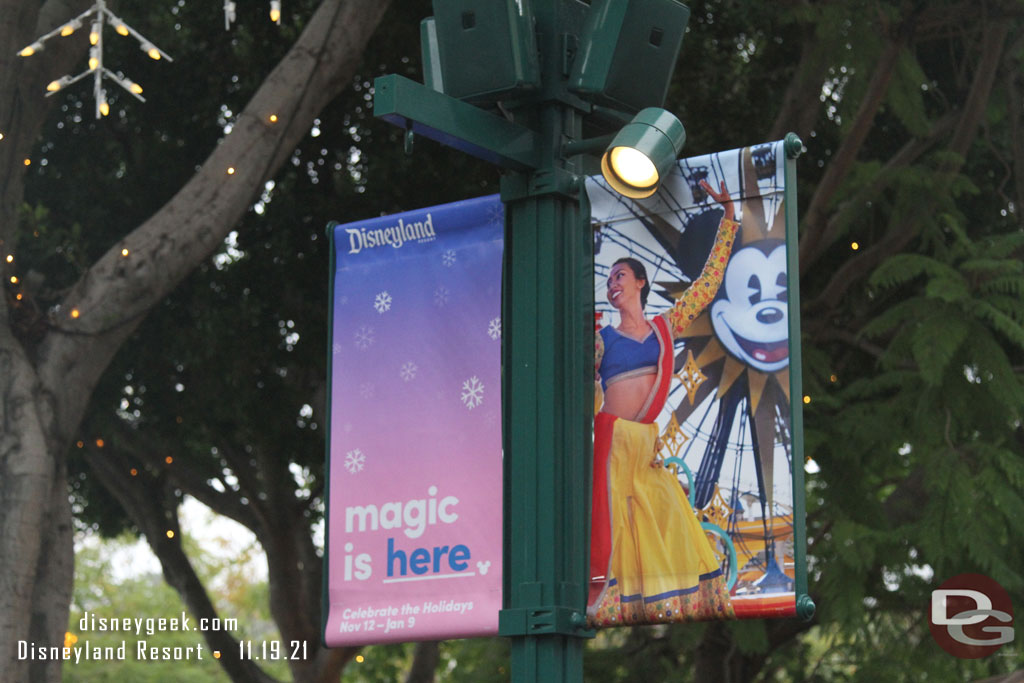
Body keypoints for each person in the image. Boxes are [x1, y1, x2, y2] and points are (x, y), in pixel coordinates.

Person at [589, 179, 737, 626]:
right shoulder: (599, 340)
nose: (613, 284)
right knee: (610, 537)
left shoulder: (663, 328)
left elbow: (708, 285)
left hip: (645, 452)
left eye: (619, 276)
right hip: (613, 449)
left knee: (669, 523)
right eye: (608, 279)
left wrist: (729, 218)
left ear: (639, 281)